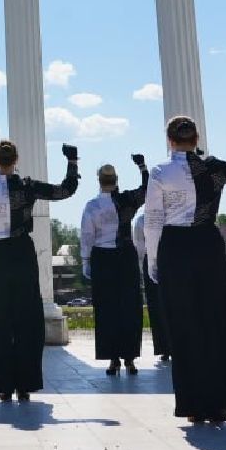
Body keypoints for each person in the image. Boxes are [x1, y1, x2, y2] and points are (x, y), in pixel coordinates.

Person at [144, 117, 226, 425]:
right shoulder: (214, 167)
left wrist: (153, 260)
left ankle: (193, 404)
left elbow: (153, 220)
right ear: (196, 138)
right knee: (216, 322)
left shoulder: (159, 172)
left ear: (169, 139)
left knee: (184, 326)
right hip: (207, 246)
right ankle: (220, 401)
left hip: (174, 247)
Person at [0, 139, 80, 402]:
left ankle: (2, 384)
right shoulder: (28, 187)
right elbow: (65, 190)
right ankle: (25, 383)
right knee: (26, 320)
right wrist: (72, 162)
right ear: (16, 160)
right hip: (21, 253)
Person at [80, 155, 149, 375]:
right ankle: (129, 358)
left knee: (107, 309)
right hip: (125, 255)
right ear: (116, 180)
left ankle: (112, 359)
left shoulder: (92, 206)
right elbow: (147, 188)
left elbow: (87, 236)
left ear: (99, 180)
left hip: (102, 257)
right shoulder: (127, 200)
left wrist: (85, 260)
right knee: (129, 307)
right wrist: (142, 166)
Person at [133, 213, 170, 363]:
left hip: (168, 257)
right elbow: (139, 246)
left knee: (172, 302)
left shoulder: (168, 216)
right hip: (151, 260)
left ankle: (174, 344)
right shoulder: (141, 220)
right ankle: (163, 347)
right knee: (155, 305)